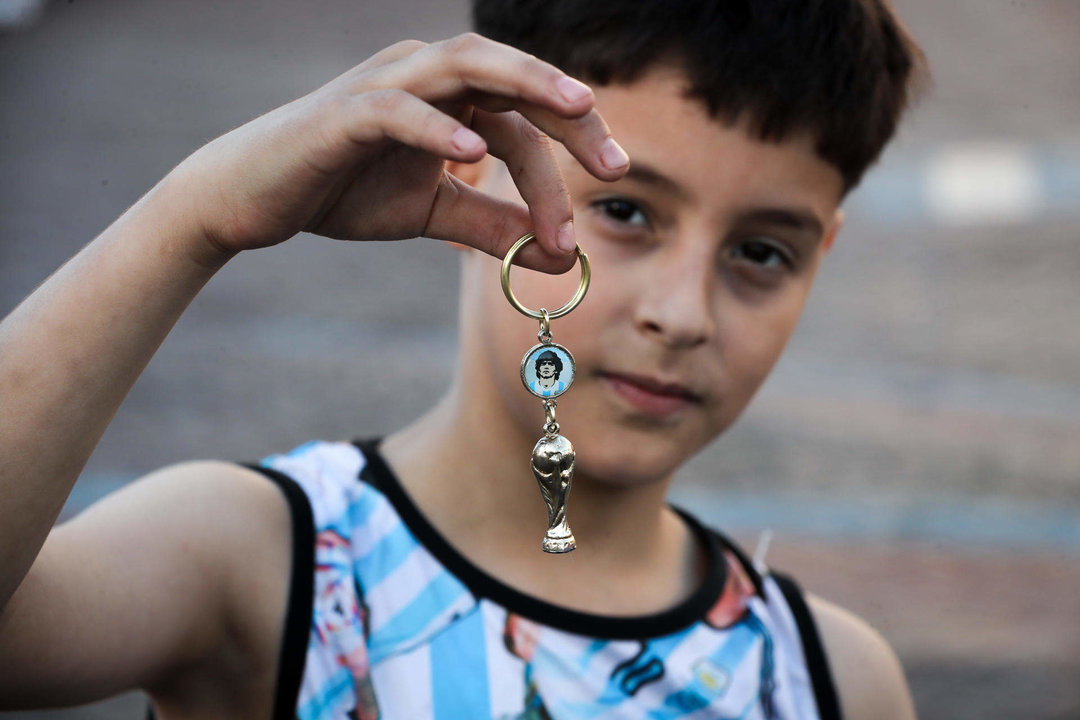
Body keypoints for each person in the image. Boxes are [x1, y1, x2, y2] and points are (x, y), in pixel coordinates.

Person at [0, 0, 926, 718]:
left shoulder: (830, 679)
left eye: (762, 253)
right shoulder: (263, 561)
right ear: (471, 167)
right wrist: (196, 220)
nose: (683, 315)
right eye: (626, 211)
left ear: (823, 255)